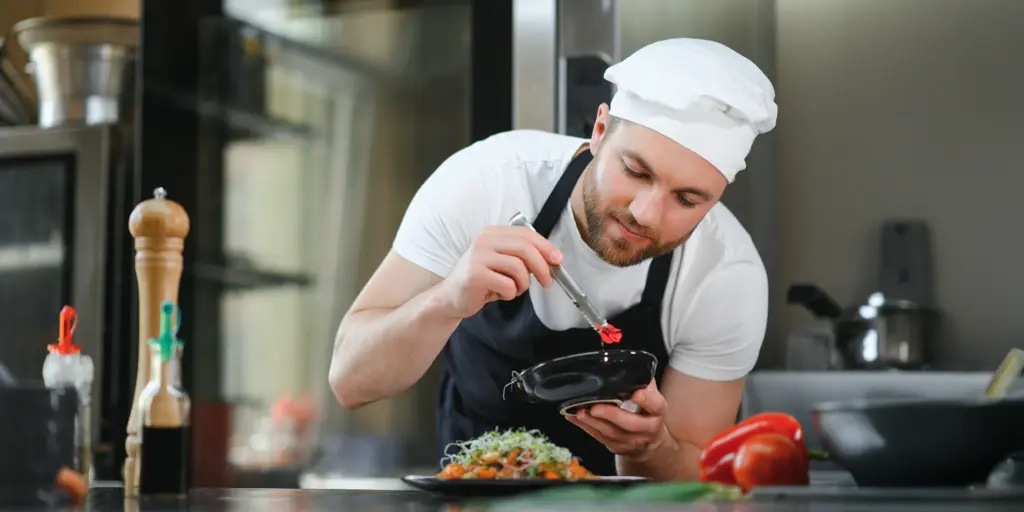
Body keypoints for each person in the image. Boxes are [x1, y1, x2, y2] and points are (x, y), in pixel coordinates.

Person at [328, 38, 778, 481]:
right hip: (473, 495)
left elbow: (697, 483)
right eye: (636, 172)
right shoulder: (488, 183)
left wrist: (651, 447)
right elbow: (351, 381)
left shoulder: (724, 275)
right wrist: (447, 299)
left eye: (687, 199)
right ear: (599, 132)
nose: (645, 214)